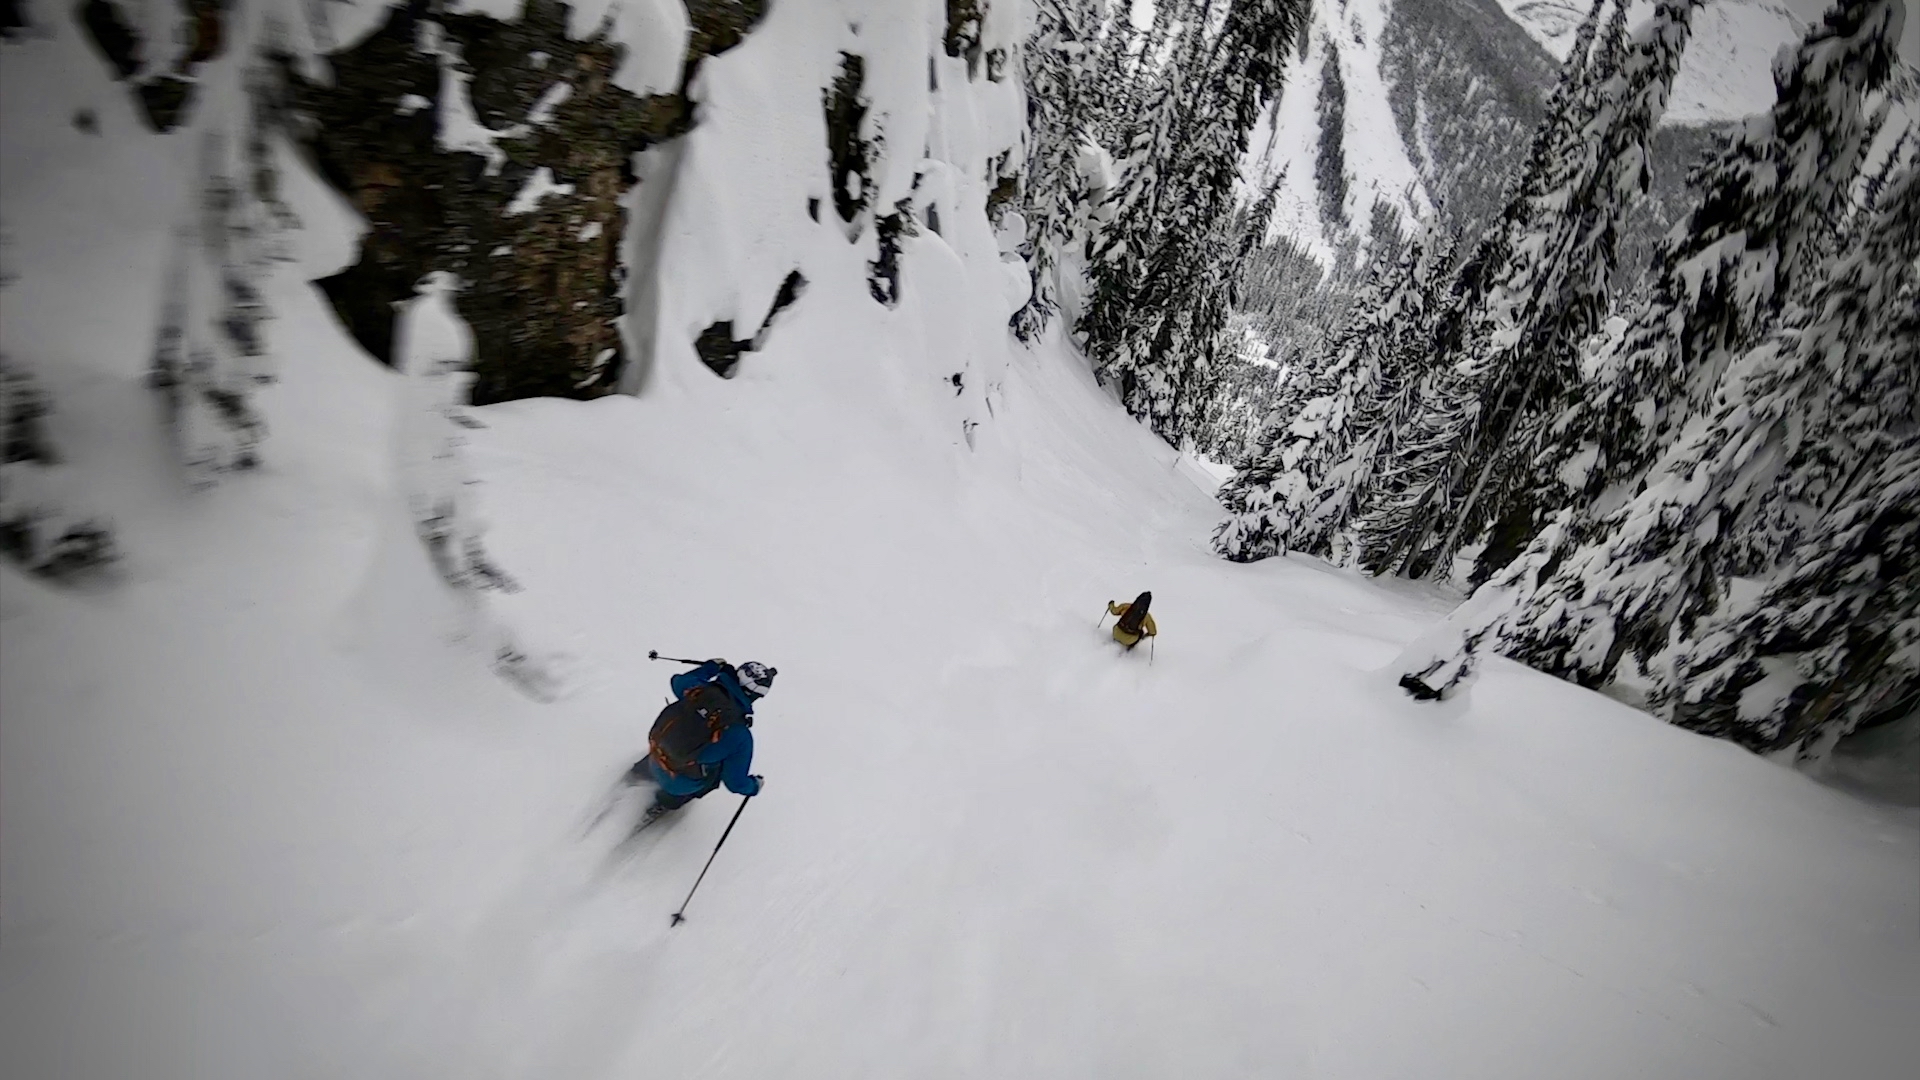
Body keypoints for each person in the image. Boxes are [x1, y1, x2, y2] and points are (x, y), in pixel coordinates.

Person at [631, 658, 776, 823]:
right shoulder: (739, 735)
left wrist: (712, 667)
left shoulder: (697, 690)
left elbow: (678, 680)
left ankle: (637, 774)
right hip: (677, 782)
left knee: (675, 744)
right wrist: (754, 786)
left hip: (655, 754)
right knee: (714, 774)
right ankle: (664, 803)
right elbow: (735, 783)